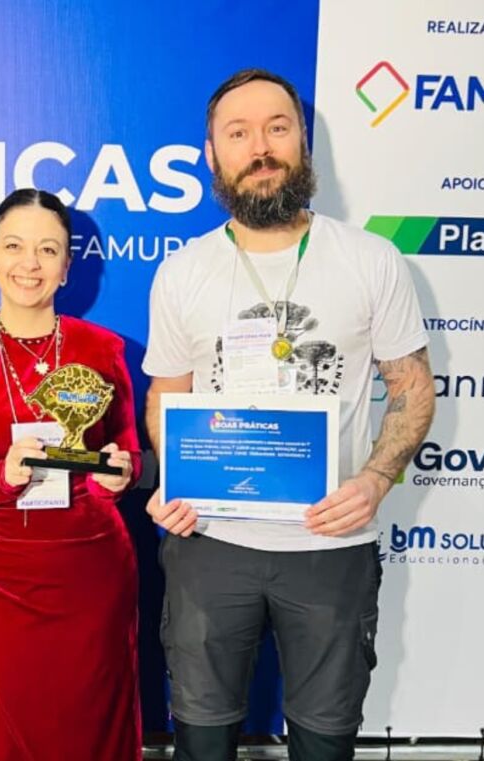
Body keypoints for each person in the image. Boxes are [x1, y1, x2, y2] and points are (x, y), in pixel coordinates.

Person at [143, 68, 436, 761]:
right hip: (209, 543)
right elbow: (164, 396)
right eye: (238, 133)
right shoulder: (183, 271)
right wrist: (174, 476)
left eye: (277, 128)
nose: (261, 148)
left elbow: (412, 387)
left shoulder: (371, 259)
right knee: (202, 740)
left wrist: (375, 481)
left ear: (303, 141)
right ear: (212, 154)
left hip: (331, 545)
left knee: (324, 741)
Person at [0, 188, 142, 761]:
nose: (30, 263)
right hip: (0, 576)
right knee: (13, 728)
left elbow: (128, 453)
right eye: (15, 246)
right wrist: (0, 476)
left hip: (92, 568)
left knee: (95, 725)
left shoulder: (103, 348)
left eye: (48, 250)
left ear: (67, 266)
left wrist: (117, 475)